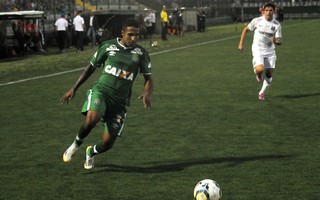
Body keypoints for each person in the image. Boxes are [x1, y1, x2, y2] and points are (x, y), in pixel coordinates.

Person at [61, 18, 154, 170]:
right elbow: (90, 68)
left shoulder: (141, 53)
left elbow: (148, 78)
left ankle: (90, 152)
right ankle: (75, 145)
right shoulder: (108, 46)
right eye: (130, 34)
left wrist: (147, 94)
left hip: (120, 102)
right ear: (122, 33)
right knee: (92, 119)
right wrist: (74, 88)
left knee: (107, 143)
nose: (133, 38)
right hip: (102, 92)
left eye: (136, 35)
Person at [238, 3, 282, 100]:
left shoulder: (276, 24)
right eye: (266, 10)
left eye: (271, 10)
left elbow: (278, 40)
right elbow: (245, 30)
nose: (268, 12)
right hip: (258, 49)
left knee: (269, 74)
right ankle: (258, 74)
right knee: (260, 69)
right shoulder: (257, 21)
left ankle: (262, 92)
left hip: (270, 51)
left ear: (274, 11)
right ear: (263, 11)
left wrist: (276, 40)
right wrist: (241, 44)